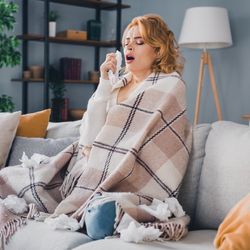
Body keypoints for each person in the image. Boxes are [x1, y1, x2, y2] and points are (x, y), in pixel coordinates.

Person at [0, 14, 192, 245]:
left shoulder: (170, 84)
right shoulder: (115, 85)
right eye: (126, 41)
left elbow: (155, 141)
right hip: (85, 166)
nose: (129, 45)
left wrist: (102, 155)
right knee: (10, 179)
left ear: (158, 49)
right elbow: (89, 135)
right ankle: (87, 206)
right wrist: (103, 82)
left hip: (130, 177)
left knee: (102, 213)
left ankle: (102, 212)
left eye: (139, 41)